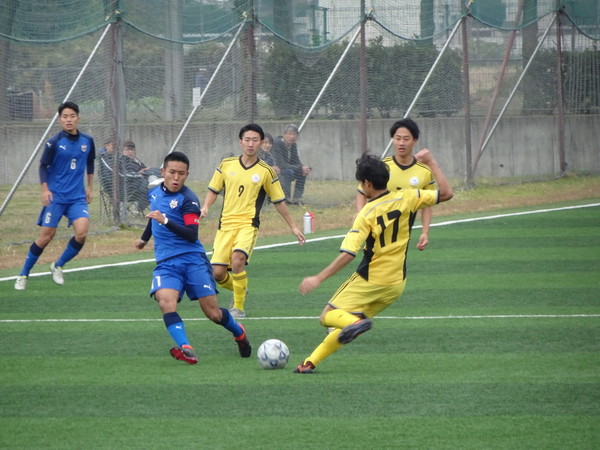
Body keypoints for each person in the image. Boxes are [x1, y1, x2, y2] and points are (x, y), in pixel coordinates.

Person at [293, 150, 453, 373]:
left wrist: (318, 278)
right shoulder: (407, 196)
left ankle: (353, 325)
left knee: (328, 317)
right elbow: (446, 193)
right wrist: (433, 162)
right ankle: (309, 363)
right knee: (346, 325)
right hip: (396, 284)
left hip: (371, 278)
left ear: (367, 183)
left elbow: (349, 253)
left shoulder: (366, 213)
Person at [133, 151, 251, 364]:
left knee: (213, 313)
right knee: (165, 302)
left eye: (181, 174)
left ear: (187, 175)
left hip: (192, 260)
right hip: (167, 264)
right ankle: (186, 348)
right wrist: (144, 239)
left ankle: (239, 332)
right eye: (172, 173)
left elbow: (191, 234)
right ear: (163, 172)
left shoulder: (189, 200)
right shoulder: (154, 194)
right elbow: (154, 217)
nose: (176, 178)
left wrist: (166, 221)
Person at [201, 123, 306, 319]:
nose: (251, 144)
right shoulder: (226, 165)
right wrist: (205, 206)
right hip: (225, 226)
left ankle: (238, 308)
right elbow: (213, 190)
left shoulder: (266, 171)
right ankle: (240, 289)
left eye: (255, 140)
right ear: (241, 142)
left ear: (261, 143)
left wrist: (293, 226)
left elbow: (279, 201)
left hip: (248, 225)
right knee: (217, 274)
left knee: (238, 261)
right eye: (247, 140)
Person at [14, 101, 96, 290]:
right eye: (65, 117)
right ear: (60, 120)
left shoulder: (87, 141)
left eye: (72, 116)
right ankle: (23, 274)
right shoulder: (54, 142)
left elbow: (91, 164)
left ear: (78, 118)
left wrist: (90, 188)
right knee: (46, 237)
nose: (69, 120)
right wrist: (45, 190)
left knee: (82, 232)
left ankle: (58, 265)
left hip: (76, 197)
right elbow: (43, 166)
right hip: (56, 197)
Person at [356, 118, 435, 250]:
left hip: (402, 232)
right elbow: (361, 191)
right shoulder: (383, 167)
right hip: (377, 229)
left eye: (406, 139)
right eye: (397, 138)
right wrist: (361, 218)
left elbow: (427, 205)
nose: (401, 143)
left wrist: (425, 232)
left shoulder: (424, 172)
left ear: (415, 141)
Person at [271, 124, 311, 205]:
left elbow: (296, 160)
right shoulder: (277, 143)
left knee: (302, 172)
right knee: (288, 172)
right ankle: (285, 198)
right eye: (289, 134)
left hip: (285, 168)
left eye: (294, 134)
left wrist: (303, 167)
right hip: (275, 170)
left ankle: (297, 198)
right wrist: (300, 167)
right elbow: (281, 164)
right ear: (284, 134)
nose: (292, 136)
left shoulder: (293, 145)